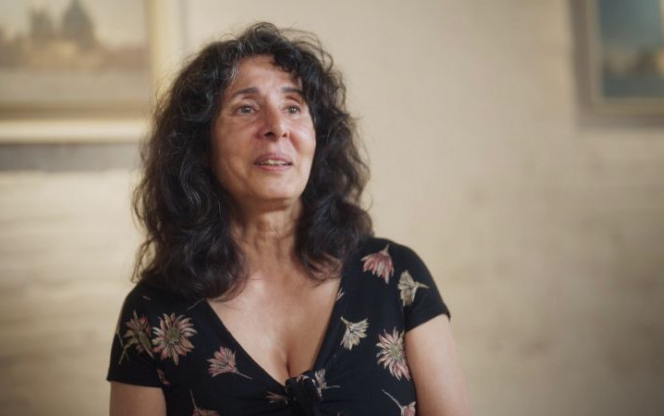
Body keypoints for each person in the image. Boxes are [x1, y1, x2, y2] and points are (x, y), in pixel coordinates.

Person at [107, 22, 470, 416]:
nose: (277, 127)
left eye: (293, 107)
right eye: (246, 108)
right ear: (202, 147)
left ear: (317, 138)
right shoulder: (152, 314)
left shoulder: (397, 279)